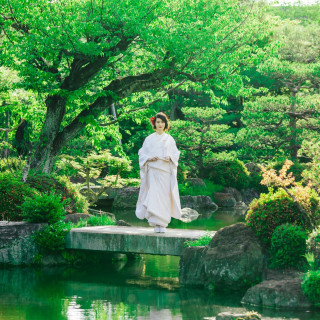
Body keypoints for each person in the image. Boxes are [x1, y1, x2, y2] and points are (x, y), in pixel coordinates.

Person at [135, 112, 182, 233]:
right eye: (158, 122)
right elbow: (142, 153)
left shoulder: (169, 139)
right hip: (153, 172)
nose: (160, 124)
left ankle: (163, 223)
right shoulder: (149, 139)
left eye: (162, 122)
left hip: (165, 172)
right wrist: (149, 158)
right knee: (154, 196)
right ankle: (155, 223)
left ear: (165, 124)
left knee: (164, 197)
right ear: (154, 124)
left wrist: (170, 158)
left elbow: (176, 153)